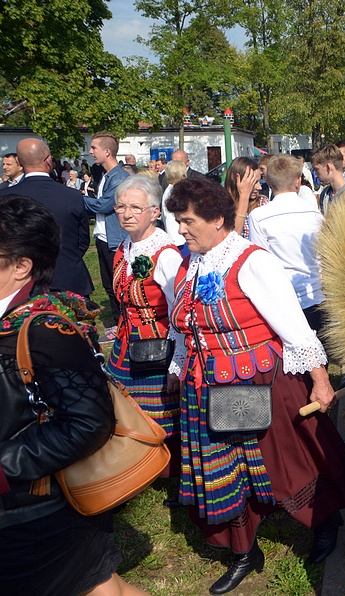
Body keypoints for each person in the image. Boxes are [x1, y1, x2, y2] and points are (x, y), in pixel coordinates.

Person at [165, 177, 345, 594]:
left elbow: (294, 326)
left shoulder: (253, 261)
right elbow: (185, 328)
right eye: (178, 221)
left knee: (286, 463)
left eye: (187, 221)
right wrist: (177, 370)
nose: (180, 230)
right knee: (224, 470)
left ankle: (324, 520)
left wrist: (320, 380)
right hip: (206, 387)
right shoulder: (189, 264)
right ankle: (244, 550)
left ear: (217, 220)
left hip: (258, 382)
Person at [0, 194, 148, 596]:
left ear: (21, 267)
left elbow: (89, 422)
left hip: (43, 512)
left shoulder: (45, 330)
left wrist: (5, 466)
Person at [106, 176, 183, 476]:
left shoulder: (165, 254)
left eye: (135, 208)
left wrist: (177, 363)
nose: (126, 214)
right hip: (125, 343)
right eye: (121, 207)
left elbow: (179, 312)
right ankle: (137, 465)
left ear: (154, 212)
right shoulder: (124, 247)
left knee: (160, 411)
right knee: (127, 409)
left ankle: (169, 470)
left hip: (157, 347)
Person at [0, 138, 94, 297]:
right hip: (67, 277)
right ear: (49, 160)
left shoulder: (5, 196)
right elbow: (82, 239)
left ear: (19, 162)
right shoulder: (72, 195)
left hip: (22, 281)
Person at [247, 155, 326, 332]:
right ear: (298, 181)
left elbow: (260, 263)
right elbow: (322, 259)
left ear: (268, 181)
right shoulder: (314, 214)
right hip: (315, 296)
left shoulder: (258, 216)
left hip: (281, 301)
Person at [84, 132, 132, 326]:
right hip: (103, 238)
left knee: (119, 284)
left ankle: (124, 323)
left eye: (94, 148)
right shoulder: (105, 175)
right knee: (108, 284)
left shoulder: (119, 177)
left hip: (115, 239)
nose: (90, 151)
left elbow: (103, 205)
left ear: (107, 151)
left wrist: (76, 198)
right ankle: (117, 323)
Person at [223, 157, 264, 238]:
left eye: (259, 181)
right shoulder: (222, 206)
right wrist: (244, 196)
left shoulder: (262, 203)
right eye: (254, 182)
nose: (259, 187)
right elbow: (233, 238)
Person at [160, 160, 188, 249]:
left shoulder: (170, 190)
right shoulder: (175, 192)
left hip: (176, 237)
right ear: (182, 175)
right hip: (179, 239)